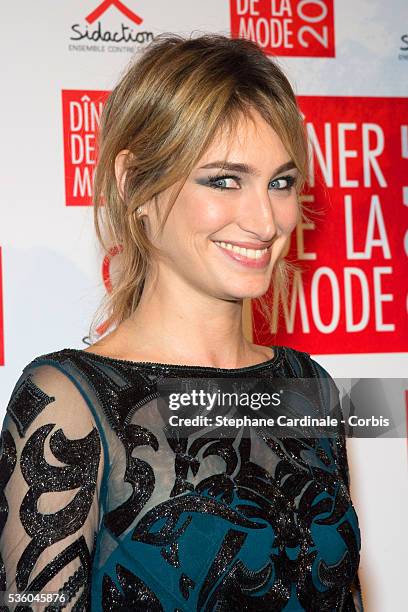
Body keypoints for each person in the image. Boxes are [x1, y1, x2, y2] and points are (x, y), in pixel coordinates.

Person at [0, 33, 364, 611]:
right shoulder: (69, 402)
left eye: (281, 182)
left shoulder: (308, 386)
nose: (265, 220)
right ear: (133, 185)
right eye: (224, 180)